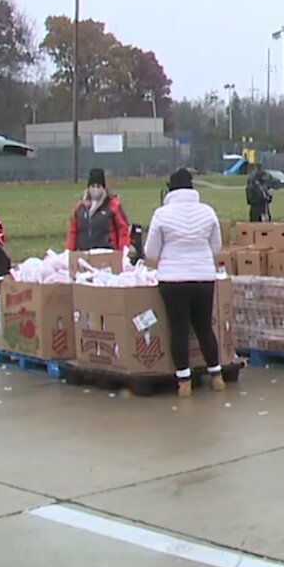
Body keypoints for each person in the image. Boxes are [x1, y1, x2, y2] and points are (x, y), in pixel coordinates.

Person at [144, 169, 225, 399]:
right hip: (203, 277)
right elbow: (216, 247)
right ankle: (217, 375)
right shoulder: (208, 212)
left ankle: (184, 381)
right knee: (203, 327)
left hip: (172, 279)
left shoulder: (161, 214)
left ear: (170, 189)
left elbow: (151, 251)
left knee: (179, 329)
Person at [66, 168, 130, 252]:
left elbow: (123, 230)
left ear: (103, 188)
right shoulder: (80, 208)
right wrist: (69, 252)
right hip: (84, 254)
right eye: (93, 186)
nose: (95, 190)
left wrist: (123, 252)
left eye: (98, 186)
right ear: (88, 188)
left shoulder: (113, 205)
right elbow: (73, 231)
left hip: (108, 253)